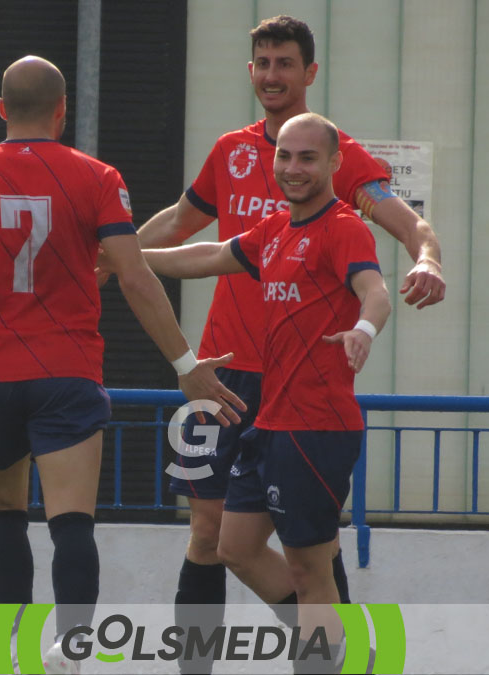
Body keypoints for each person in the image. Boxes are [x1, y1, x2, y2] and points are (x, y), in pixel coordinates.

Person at [0, 56, 245, 671]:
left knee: (4, 515)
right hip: (66, 369)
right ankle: (73, 646)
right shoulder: (97, 178)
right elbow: (135, 275)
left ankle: (11, 650)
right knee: (72, 521)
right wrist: (185, 363)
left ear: (1, 110)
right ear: (62, 111)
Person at [132, 15, 444, 669]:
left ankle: (333, 652)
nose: (273, 75)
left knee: (312, 548)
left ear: (309, 73)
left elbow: (405, 224)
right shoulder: (232, 152)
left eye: (285, 64)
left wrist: (428, 258)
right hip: (217, 373)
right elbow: (185, 230)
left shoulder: (339, 163)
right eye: (263, 64)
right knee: (209, 534)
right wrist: (117, 252)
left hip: (294, 383)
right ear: (251, 73)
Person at [128, 112, 391, 672]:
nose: (293, 168)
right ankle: (342, 651)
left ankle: (329, 655)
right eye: (285, 157)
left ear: (334, 164)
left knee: (310, 572)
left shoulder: (344, 227)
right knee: (234, 547)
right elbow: (205, 256)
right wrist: (125, 258)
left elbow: (376, 291)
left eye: (308, 158)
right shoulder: (275, 229)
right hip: (269, 423)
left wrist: (363, 331)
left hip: (316, 427)